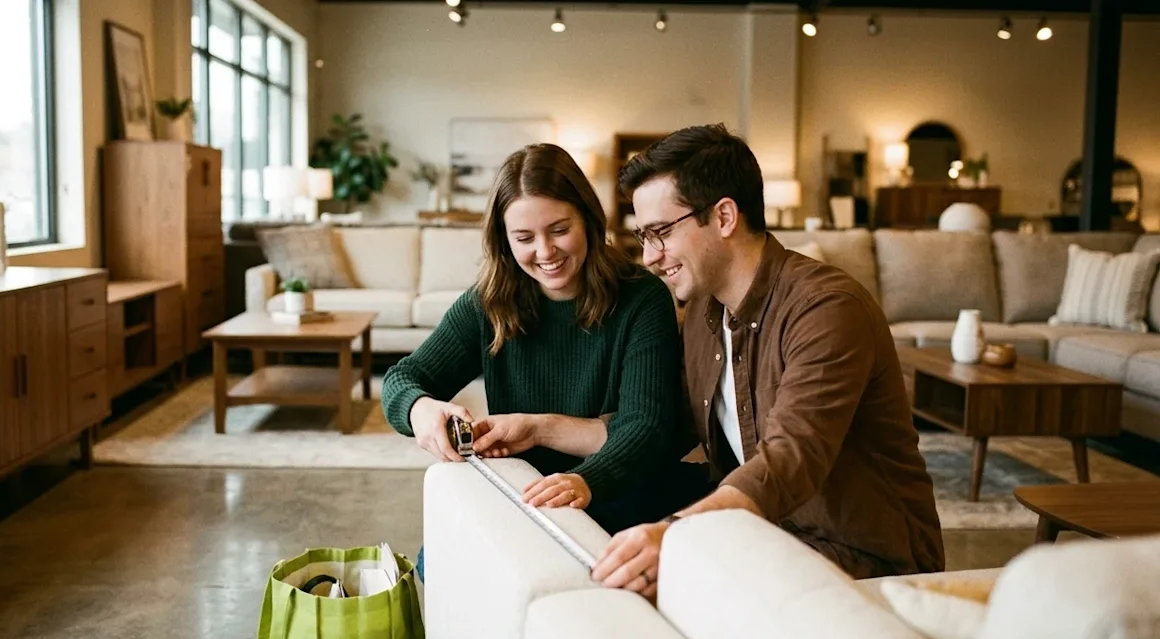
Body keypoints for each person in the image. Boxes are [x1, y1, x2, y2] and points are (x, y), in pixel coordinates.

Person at [591, 124, 945, 599]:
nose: (651, 257)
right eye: (643, 236)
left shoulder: (826, 308)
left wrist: (672, 534)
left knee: (662, 582)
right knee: (608, 539)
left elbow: (789, 458)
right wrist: (536, 431)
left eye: (660, 233)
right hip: (771, 536)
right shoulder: (703, 310)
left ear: (723, 216)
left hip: (866, 556)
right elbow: (660, 426)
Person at [381, 143, 707, 578]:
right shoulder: (488, 303)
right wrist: (420, 410)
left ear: (588, 219)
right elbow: (403, 378)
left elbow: (645, 428)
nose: (545, 251)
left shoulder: (641, 299)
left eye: (558, 229)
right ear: (504, 239)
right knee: (435, 564)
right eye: (524, 238)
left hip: (620, 481)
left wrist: (541, 432)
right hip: (528, 488)